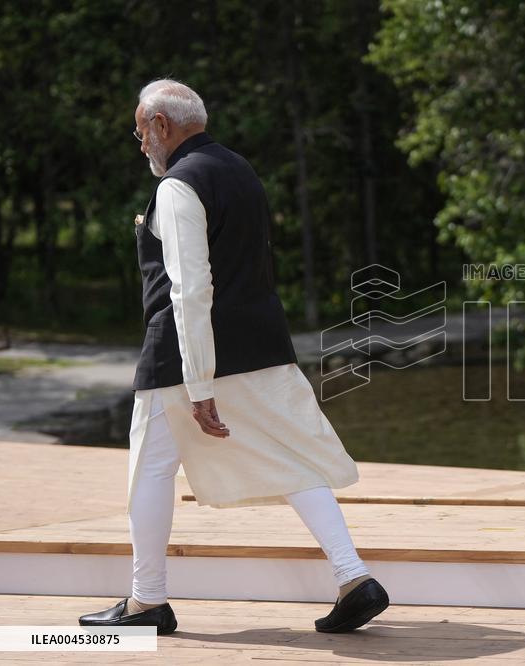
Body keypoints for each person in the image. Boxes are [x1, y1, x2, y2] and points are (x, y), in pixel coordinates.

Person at [78, 79, 389, 635]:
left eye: (140, 131)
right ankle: (354, 577)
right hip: (262, 342)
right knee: (293, 457)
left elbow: (190, 291)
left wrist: (199, 385)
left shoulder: (177, 186)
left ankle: (147, 603)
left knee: (148, 471)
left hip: (182, 357)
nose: (140, 143)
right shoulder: (240, 169)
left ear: (161, 126)